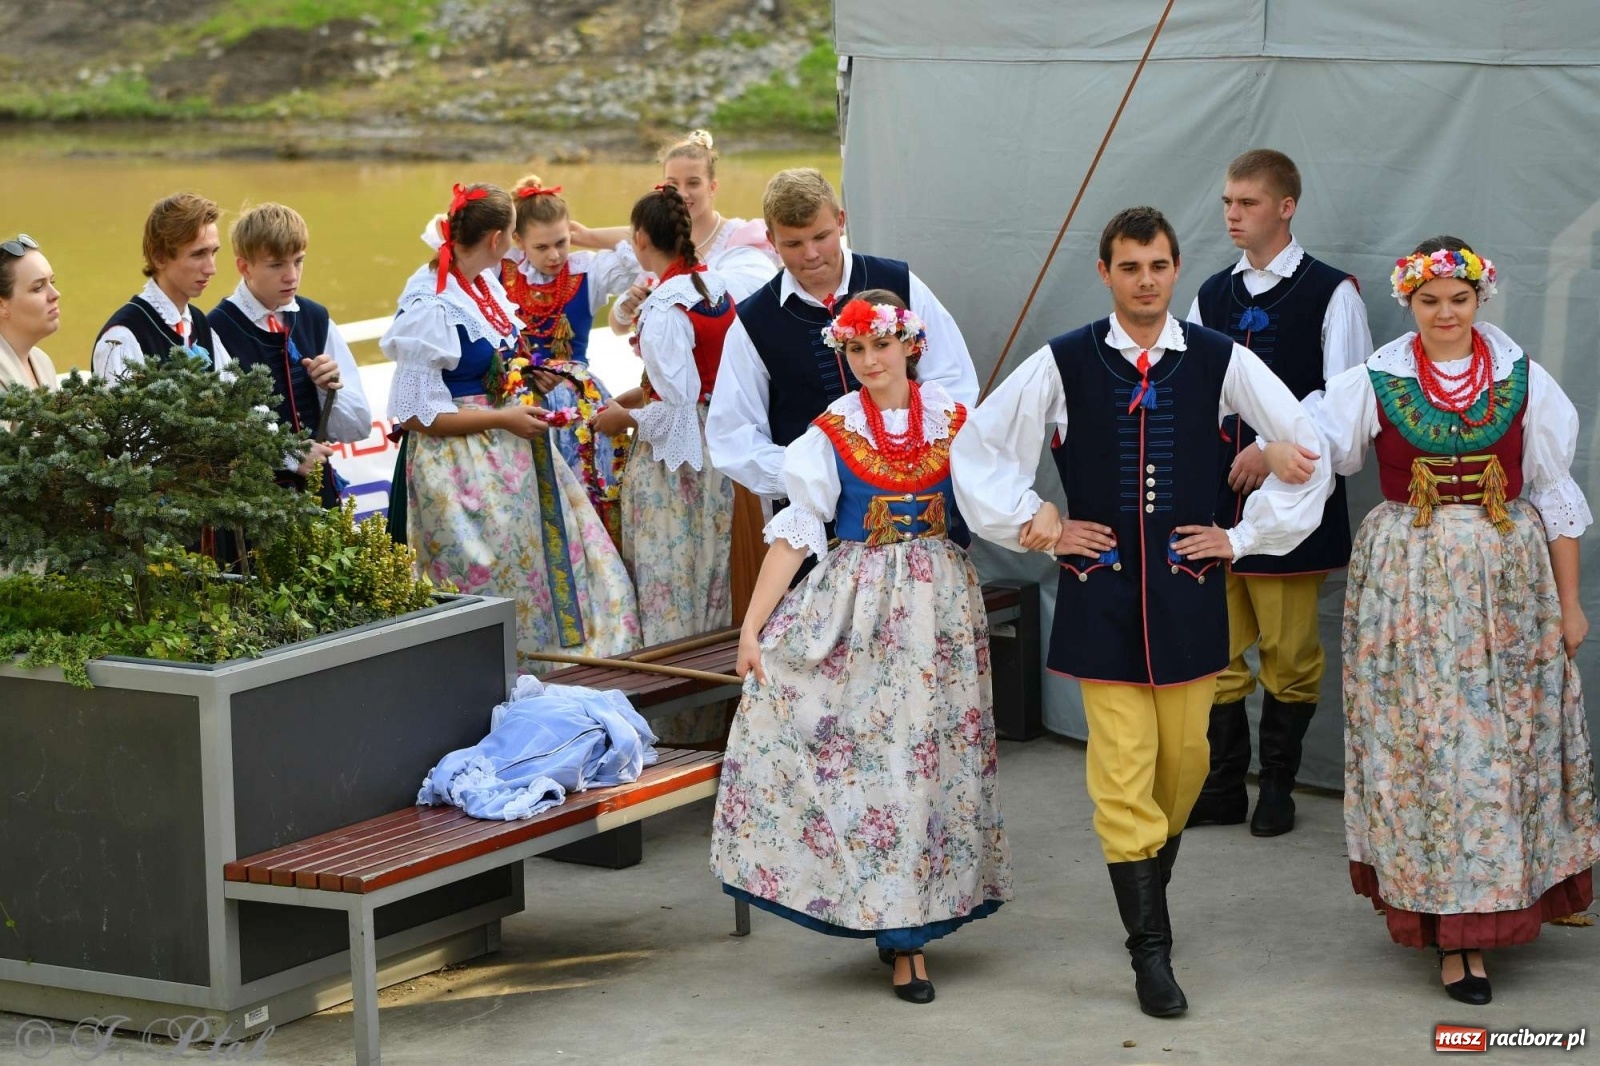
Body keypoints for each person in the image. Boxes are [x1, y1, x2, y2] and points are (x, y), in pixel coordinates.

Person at [951, 207, 1330, 1018]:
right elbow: (978, 451)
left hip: (1192, 602)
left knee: (1183, 766)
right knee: (1122, 778)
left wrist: (1242, 535)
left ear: (1175, 268)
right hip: (1101, 598)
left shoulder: (1222, 360)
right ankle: (1149, 953)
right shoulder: (1063, 361)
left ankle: (1147, 889)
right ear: (1106, 273)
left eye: (1158, 266)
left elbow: (1305, 446)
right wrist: (1039, 523)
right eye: (1130, 267)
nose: (1146, 281)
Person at [1313, 236, 1599, 1005]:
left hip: (1508, 588)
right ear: (1408, 304)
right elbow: (1316, 453)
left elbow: (1554, 495)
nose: (1445, 313)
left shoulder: (1520, 377)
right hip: (1407, 588)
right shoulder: (1375, 381)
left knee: (1498, 750)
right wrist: (1264, 464)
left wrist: (1570, 606)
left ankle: (1494, 917)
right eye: (1429, 301)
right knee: (1425, 753)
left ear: (1480, 300)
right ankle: (1447, 932)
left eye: (1459, 299)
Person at [710, 291, 1011, 1006]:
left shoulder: (956, 420)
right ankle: (901, 938)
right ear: (843, 355)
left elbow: (1001, 501)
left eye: (881, 345)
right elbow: (796, 531)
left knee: (933, 767)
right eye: (856, 350)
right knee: (884, 772)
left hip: (940, 609)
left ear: (911, 344)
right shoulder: (832, 431)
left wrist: (1055, 530)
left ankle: (919, 914)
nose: (871, 361)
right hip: (859, 610)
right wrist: (754, 629)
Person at [1185, 149, 1374, 836]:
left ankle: (1279, 790)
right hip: (1219, 499)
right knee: (1222, 647)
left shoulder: (1332, 293)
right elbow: (1193, 389)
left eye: (1248, 203)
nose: (1233, 214)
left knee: (1290, 652)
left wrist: (1271, 453)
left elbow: (1345, 404)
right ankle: (1226, 786)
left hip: (1295, 500)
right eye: (1229, 202)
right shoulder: (1212, 292)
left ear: (1285, 206)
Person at [380, 183, 640, 670]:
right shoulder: (431, 304)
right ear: (500, 239)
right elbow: (416, 414)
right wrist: (503, 416)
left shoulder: (477, 282)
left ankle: (558, 666)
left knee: (581, 562)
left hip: (506, 447)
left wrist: (524, 384)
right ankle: (509, 670)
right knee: (489, 574)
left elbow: (492, 363)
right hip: (457, 466)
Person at [706, 167, 979, 505]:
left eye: (821, 237)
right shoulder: (753, 321)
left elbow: (953, 379)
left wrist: (920, 457)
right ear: (771, 239)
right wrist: (809, 476)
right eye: (793, 243)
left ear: (840, 221)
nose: (811, 254)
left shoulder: (900, 282)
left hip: (919, 499)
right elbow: (732, 434)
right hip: (817, 516)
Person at [591, 184, 735, 646]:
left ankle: (674, 676)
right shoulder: (711, 285)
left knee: (672, 573)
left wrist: (625, 420)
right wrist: (634, 397)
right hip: (720, 443)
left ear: (639, 239)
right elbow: (695, 383)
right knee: (711, 565)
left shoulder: (665, 308)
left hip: (681, 464)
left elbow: (678, 413)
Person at [500, 176, 639, 540]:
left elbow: (642, 243)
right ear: (518, 241)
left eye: (561, 242)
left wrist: (587, 236)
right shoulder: (501, 271)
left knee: (592, 498)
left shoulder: (586, 270)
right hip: (516, 397)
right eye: (541, 246)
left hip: (578, 397)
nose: (554, 255)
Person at [208, 202, 373, 508]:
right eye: (276, 265)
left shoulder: (315, 319)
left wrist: (327, 391)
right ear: (244, 267)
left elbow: (358, 427)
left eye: (298, 262)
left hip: (318, 493)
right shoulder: (216, 330)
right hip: (254, 506)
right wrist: (292, 453)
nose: (291, 276)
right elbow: (227, 431)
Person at [602, 129, 780, 332]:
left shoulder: (740, 239)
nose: (682, 193)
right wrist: (626, 307)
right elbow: (617, 328)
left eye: (693, 183)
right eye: (673, 184)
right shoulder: (657, 238)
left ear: (712, 187)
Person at [93, 193, 233, 379]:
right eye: (198, 254)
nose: (211, 269)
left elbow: (236, 399)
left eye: (213, 252)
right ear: (159, 257)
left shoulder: (199, 324)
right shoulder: (123, 337)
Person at [0, 234, 60, 393]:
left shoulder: (43, 363)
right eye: (38, 288)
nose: (55, 294)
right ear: (1, 305)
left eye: (51, 282)